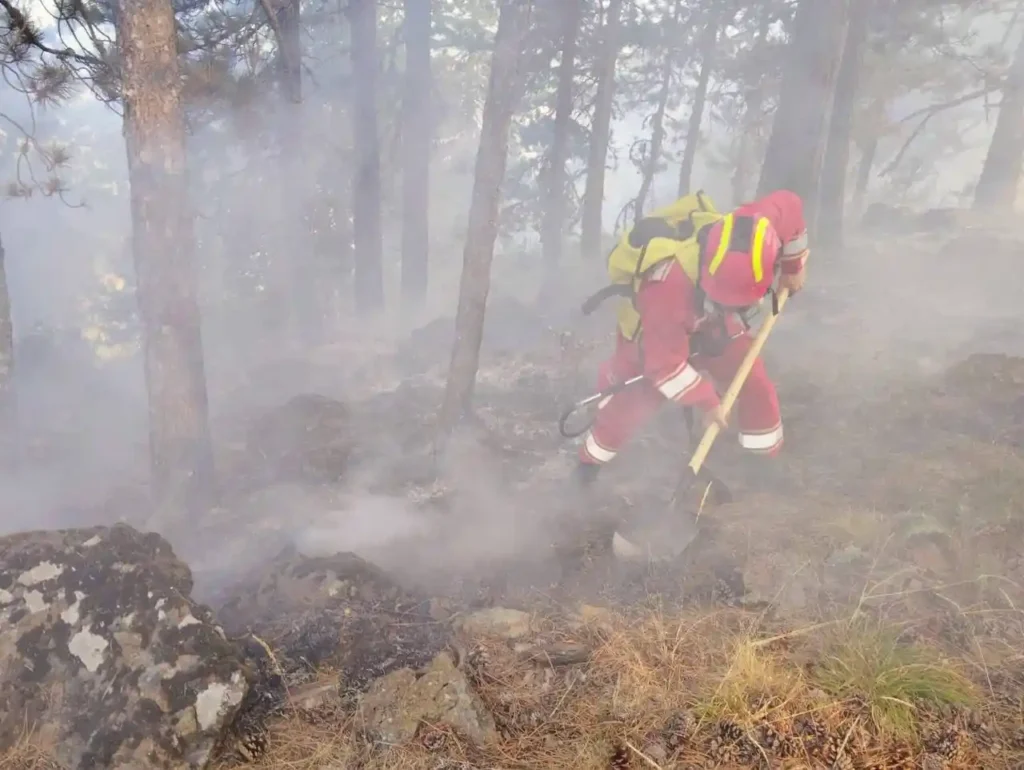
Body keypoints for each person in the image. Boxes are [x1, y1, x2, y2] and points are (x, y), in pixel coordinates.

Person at [574, 189, 809, 488]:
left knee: (751, 379)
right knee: (629, 404)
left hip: (711, 321)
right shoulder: (665, 287)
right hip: (651, 335)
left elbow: (791, 205)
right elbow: (664, 365)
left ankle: (762, 464)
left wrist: (792, 267)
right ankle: (586, 470)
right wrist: (707, 402)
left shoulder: (756, 227)